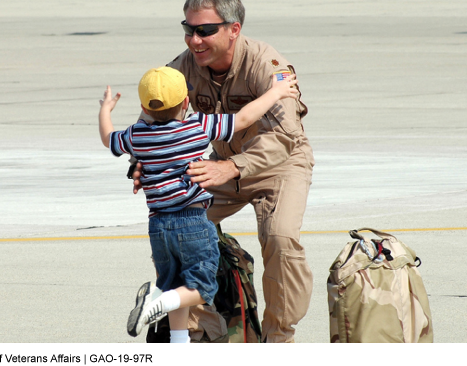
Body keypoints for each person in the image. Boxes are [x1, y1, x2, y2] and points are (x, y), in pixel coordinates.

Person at [130, 0, 315, 343]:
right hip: (219, 166)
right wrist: (142, 164)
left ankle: (278, 337)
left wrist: (231, 167)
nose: (194, 40)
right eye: (188, 29)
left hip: (280, 165)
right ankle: (201, 333)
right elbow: (152, 122)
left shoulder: (267, 65)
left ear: (234, 30)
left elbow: (286, 136)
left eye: (204, 31)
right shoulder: (182, 69)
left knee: (281, 240)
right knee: (175, 226)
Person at [98, 66, 299, 343]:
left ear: (144, 106)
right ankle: (155, 303)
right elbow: (243, 118)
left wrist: (105, 111)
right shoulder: (197, 127)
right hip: (192, 221)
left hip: (158, 226)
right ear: (185, 102)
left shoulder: (137, 135)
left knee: (176, 285)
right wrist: (276, 92)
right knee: (202, 288)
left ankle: (178, 337)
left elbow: (108, 138)